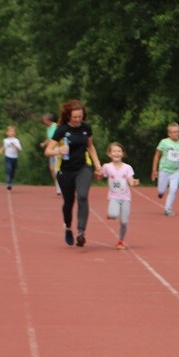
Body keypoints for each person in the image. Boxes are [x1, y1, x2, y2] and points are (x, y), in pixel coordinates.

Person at [45, 100, 102, 247]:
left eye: (80, 116)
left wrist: (97, 165)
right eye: (75, 117)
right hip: (65, 170)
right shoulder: (61, 130)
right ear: (68, 116)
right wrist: (59, 150)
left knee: (82, 196)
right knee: (68, 203)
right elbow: (48, 151)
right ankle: (68, 227)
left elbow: (90, 147)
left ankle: (81, 232)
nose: (78, 119)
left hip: (83, 167)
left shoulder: (86, 128)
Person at [101, 142, 139, 250]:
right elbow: (100, 176)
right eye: (114, 151)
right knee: (113, 214)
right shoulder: (107, 167)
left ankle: (121, 241)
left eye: (119, 151)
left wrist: (135, 182)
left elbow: (131, 182)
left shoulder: (127, 168)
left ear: (123, 154)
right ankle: (111, 214)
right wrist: (97, 172)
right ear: (109, 154)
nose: (117, 153)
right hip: (113, 197)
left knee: (124, 222)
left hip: (126, 198)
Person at [152, 122, 179, 216]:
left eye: (178, 132)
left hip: (176, 171)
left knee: (174, 189)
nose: (177, 134)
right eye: (174, 132)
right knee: (161, 190)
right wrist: (154, 169)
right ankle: (161, 192)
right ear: (169, 133)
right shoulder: (164, 142)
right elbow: (157, 155)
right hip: (164, 169)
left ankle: (168, 209)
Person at [40, 113, 62, 194]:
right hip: (50, 150)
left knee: (57, 169)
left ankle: (61, 187)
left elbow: (55, 139)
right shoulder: (48, 128)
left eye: (44, 120)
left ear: (47, 120)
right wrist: (44, 143)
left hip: (56, 149)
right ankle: (58, 186)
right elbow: (49, 138)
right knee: (52, 169)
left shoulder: (55, 126)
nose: (43, 122)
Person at [0, 125, 22, 191]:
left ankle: (11, 182)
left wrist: (15, 146)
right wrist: (1, 150)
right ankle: (8, 182)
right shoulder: (5, 140)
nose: (11, 133)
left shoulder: (16, 140)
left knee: (13, 171)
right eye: (10, 131)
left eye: (13, 131)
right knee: (8, 169)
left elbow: (19, 149)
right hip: (8, 157)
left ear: (15, 133)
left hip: (14, 157)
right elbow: (5, 147)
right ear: (7, 133)